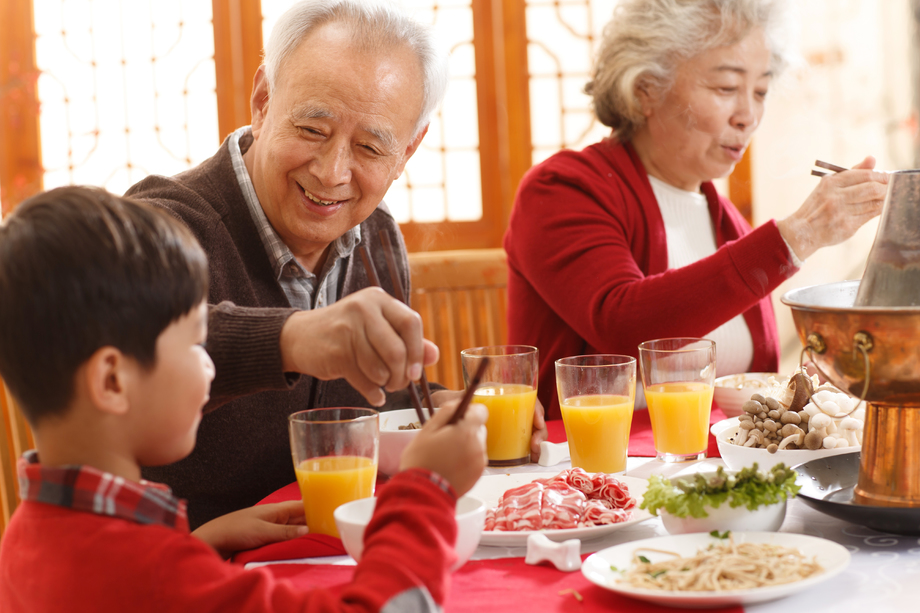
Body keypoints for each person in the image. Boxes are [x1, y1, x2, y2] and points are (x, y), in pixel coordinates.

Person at [124, 0, 547, 528]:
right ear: (263, 101)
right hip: (193, 568)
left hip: (332, 555)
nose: (332, 173)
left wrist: (438, 405)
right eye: (313, 130)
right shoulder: (161, 224)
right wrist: (298, 337)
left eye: (371, 148)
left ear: (408, 152)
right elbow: (134, 352)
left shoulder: (376, 235)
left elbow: (370, 396)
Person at [0, 186, 489, 613]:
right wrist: (429, 488)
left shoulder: (28, 538)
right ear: (112, 381)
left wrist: (203, 541)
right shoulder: (154, 574)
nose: (211, 363)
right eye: (196, 342)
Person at [503, 0, 890, 420]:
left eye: (760, 92)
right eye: (726, 88)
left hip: (710, 473)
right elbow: (623, 325)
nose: (748, 116)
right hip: (583, 476)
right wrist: (800, 234)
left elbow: (751, 386)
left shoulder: (727, 222)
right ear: (646, 89)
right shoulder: (562, 189)